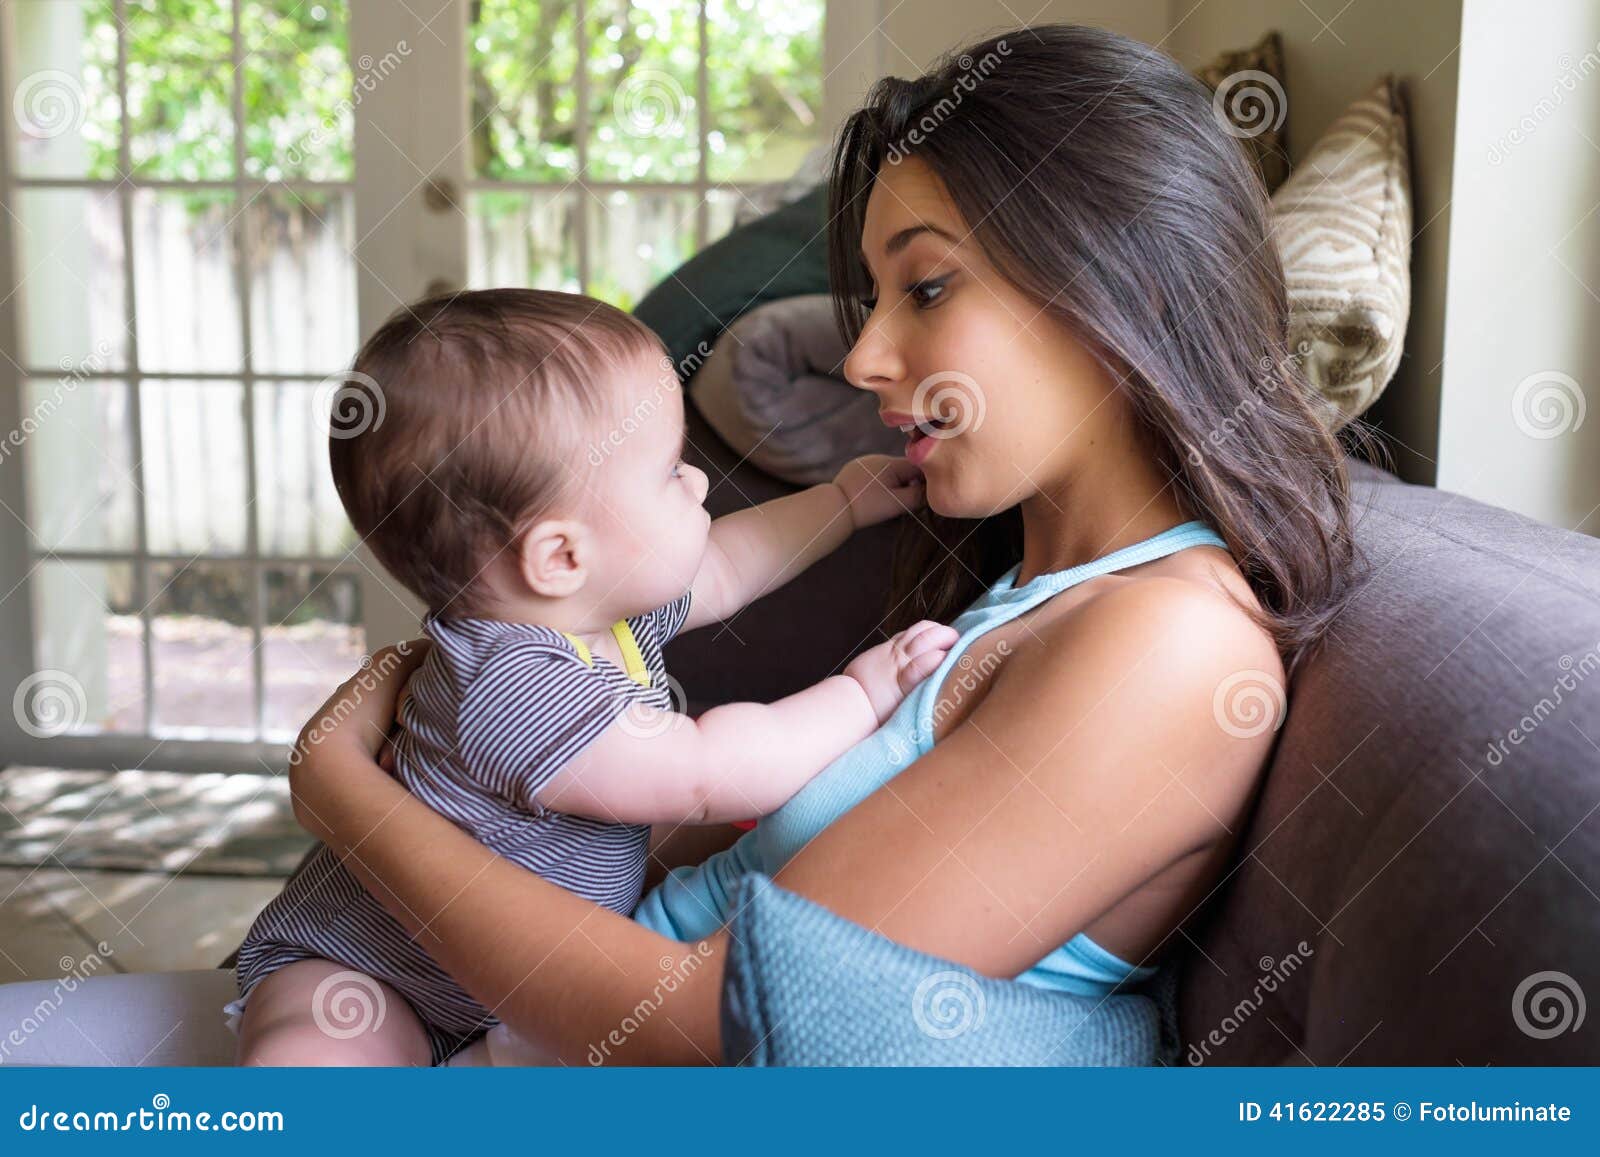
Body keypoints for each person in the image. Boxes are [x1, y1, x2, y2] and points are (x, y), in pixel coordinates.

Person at [260, 23, 1360, 1065]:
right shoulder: (1031, 588)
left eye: (924, 287)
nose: (867, 357)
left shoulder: (1167, 648)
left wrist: (345, 797)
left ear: (1124, 288)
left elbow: (705, 1029)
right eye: (875, 296)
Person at [230, 289, 954, 1065]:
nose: (700, 483)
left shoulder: (598, 615)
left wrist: (841, 503)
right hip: (369, 969)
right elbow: (707, 771)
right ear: (561, 557)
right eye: (671, 471)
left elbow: (725, 564)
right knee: (320, 1057)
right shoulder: (511, 685)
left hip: (495, 981)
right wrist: (863, 694)